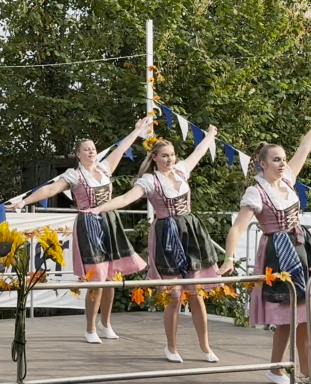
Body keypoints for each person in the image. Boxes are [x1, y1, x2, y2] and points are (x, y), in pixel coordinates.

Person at [222, 100, 311, 384]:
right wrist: (229, 258)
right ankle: (297, 372)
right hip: (278, 254)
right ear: (263, 164)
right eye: (276, 159)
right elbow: (238, 228)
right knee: (290, 317)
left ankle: (290, 370)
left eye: (284, 159)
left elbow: (306, 148)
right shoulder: (256, 193)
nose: (282, 163)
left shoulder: (288, 181)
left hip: (303, 249)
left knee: (301, 317)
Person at [6, 117, 151, 344]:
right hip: (89, 223)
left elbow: (122, 148)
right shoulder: (74, 176)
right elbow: (51, 189)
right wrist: (25, 201)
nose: (92, 151)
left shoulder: (104, 168)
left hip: (110, 221)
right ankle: (90, 327)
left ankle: (106, 322)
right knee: (97, 277)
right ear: (79, 154)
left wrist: (137, 130)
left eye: (93, 148)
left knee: (112, 276)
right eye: (87, 149)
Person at [86, 127, 221, 363]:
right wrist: (100, 208)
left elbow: (198, 152)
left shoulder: (181, 171)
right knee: (175, 295)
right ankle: (171, 347)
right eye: (165, 155)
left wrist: (210, 135)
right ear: (155, 158)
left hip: (191, 233)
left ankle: (205, 345)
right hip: (167, 236)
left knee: (196, 293)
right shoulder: (149, 181)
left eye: (172, 154)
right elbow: (127, 198)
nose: (170, 159)